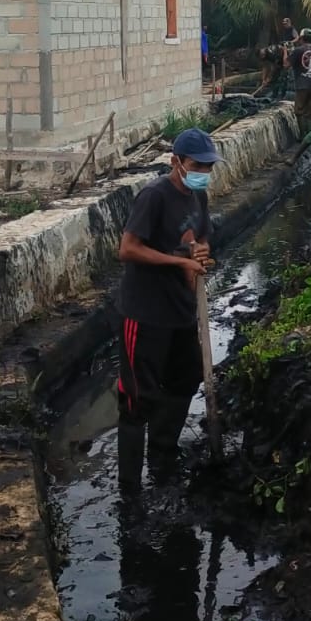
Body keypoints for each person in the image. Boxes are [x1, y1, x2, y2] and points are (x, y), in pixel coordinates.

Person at [115, 127, 219, 481]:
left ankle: (162, 457)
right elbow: (127, 249)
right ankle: (129, 489)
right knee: (136, 398)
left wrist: (201, 253)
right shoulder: (154, 196)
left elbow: (200, 236)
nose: (203, 174)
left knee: (186, 378)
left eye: (208, 167)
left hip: (180, 309)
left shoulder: (197, 197)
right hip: (145, 313)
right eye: (197, 166)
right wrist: (179, 263)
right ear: (176, 162)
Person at [287, 28, 311, 135]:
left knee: (299, 111)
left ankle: (303, 135)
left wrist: (285, 52)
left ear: (301, 38)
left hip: (302, 85)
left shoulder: (298, 50)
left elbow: (286, 64)